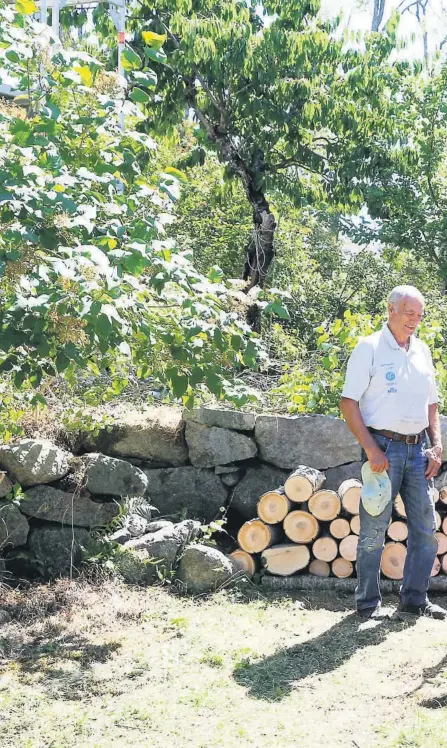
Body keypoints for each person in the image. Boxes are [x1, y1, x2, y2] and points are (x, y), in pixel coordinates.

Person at [340, 285, 446, 620]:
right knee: (373, 531)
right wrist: (371, 449)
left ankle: (414, 600)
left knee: (425, 529)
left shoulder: (422, 351)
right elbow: (348, 402)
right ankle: (367, 604)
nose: (415, 320)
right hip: (382, 449)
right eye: (408, 312)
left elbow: (432, 403)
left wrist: (436, 445)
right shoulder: (369, 348)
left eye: (419, 314)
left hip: (418, 454)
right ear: (390, 310)